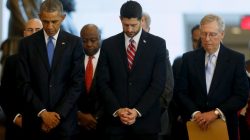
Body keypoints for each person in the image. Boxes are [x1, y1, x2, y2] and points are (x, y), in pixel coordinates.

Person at [97, 1, 167, 140]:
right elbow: (102, 82)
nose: (129, 29)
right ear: (120, 19)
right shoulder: (108, 45)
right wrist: (118, 110)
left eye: (133, 25)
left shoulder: (157, 44)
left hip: (146, 124)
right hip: (115, 125)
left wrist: (137, 111)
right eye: (125, 25)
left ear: (142, 20)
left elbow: (158, 83)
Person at [175, 14, 249, 140]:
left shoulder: (236, 59)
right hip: (195, 125)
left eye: (212, 34)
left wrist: (216, 113)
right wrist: (196, 113)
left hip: (225, 126)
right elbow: (181, 92)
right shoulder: (188, 59)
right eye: (204, 34)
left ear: (222, 34)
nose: (207, 39)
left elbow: (241, 95)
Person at [17, 0, 84, 139]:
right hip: (35, 122)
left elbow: (77, 83)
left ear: (63, 17)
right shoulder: (26, 44)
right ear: (40, 16)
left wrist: (57, 115)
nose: (50, 26)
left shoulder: (75, 43)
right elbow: (23, 83)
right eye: (46, 21)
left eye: (54, 21)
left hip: (65, 125)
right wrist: (43, 113)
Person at [0, 18, 43, 140]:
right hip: (18, 126)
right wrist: (15, 117)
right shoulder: (11, 61)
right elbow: (4, 93)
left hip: (45, 126)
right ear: (24, 34)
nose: (34, 33)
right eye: (30, 30)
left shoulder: (53, 60)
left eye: (37, 30)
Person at [141, 11, 174, 140]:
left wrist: (145, 111)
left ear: (148, 30)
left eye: (142, 30)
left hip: (156, 120)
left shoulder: (160, 49)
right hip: (129, 124)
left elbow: (167, 88)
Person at [170, 24, 201, 140]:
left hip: (210, 120)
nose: (197, 44)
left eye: (200, 40)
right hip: (184, 121)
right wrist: (180, 114)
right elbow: (174, 91)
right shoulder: (180, 62)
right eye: (195, 40)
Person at [77, 24, 104, 140]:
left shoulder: (109, 59)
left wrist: (97, 117)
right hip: (77, 126)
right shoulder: (73, 60)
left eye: (93, 40)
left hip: (104, 126)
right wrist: (78, 115)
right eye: (84, 41)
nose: (89, 44)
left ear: (100, 38)